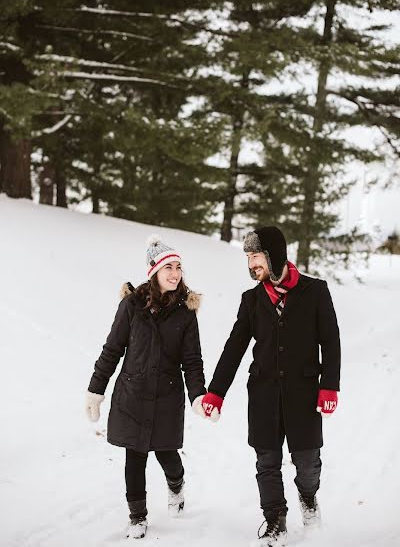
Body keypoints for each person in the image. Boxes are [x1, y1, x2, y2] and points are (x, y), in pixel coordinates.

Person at [198, 226, 341, 547]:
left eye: (256, 256)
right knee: (266, 461)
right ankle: (275, 519)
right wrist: (216, 392)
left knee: (308, 462)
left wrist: (330, 385)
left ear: (274, 255)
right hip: (262, 394)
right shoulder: (251, 300)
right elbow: (235, 346)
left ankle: (308, 497)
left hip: (304, 394)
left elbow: (331, 341)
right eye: (248, 257)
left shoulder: (315, 291)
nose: (251, 264)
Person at [86, 235, 207, 539]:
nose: (175, 273)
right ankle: (137, 516)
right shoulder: (132, 306)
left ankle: (176, 485)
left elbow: (192, 361)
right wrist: (95, 390)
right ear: (154, 271)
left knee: (168, 455)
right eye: (168, 267)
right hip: (133, 396)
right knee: (134, 457)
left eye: (178, 267)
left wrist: (197, 395)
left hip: (167, 397)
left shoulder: (185, 313)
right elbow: (112, 349)